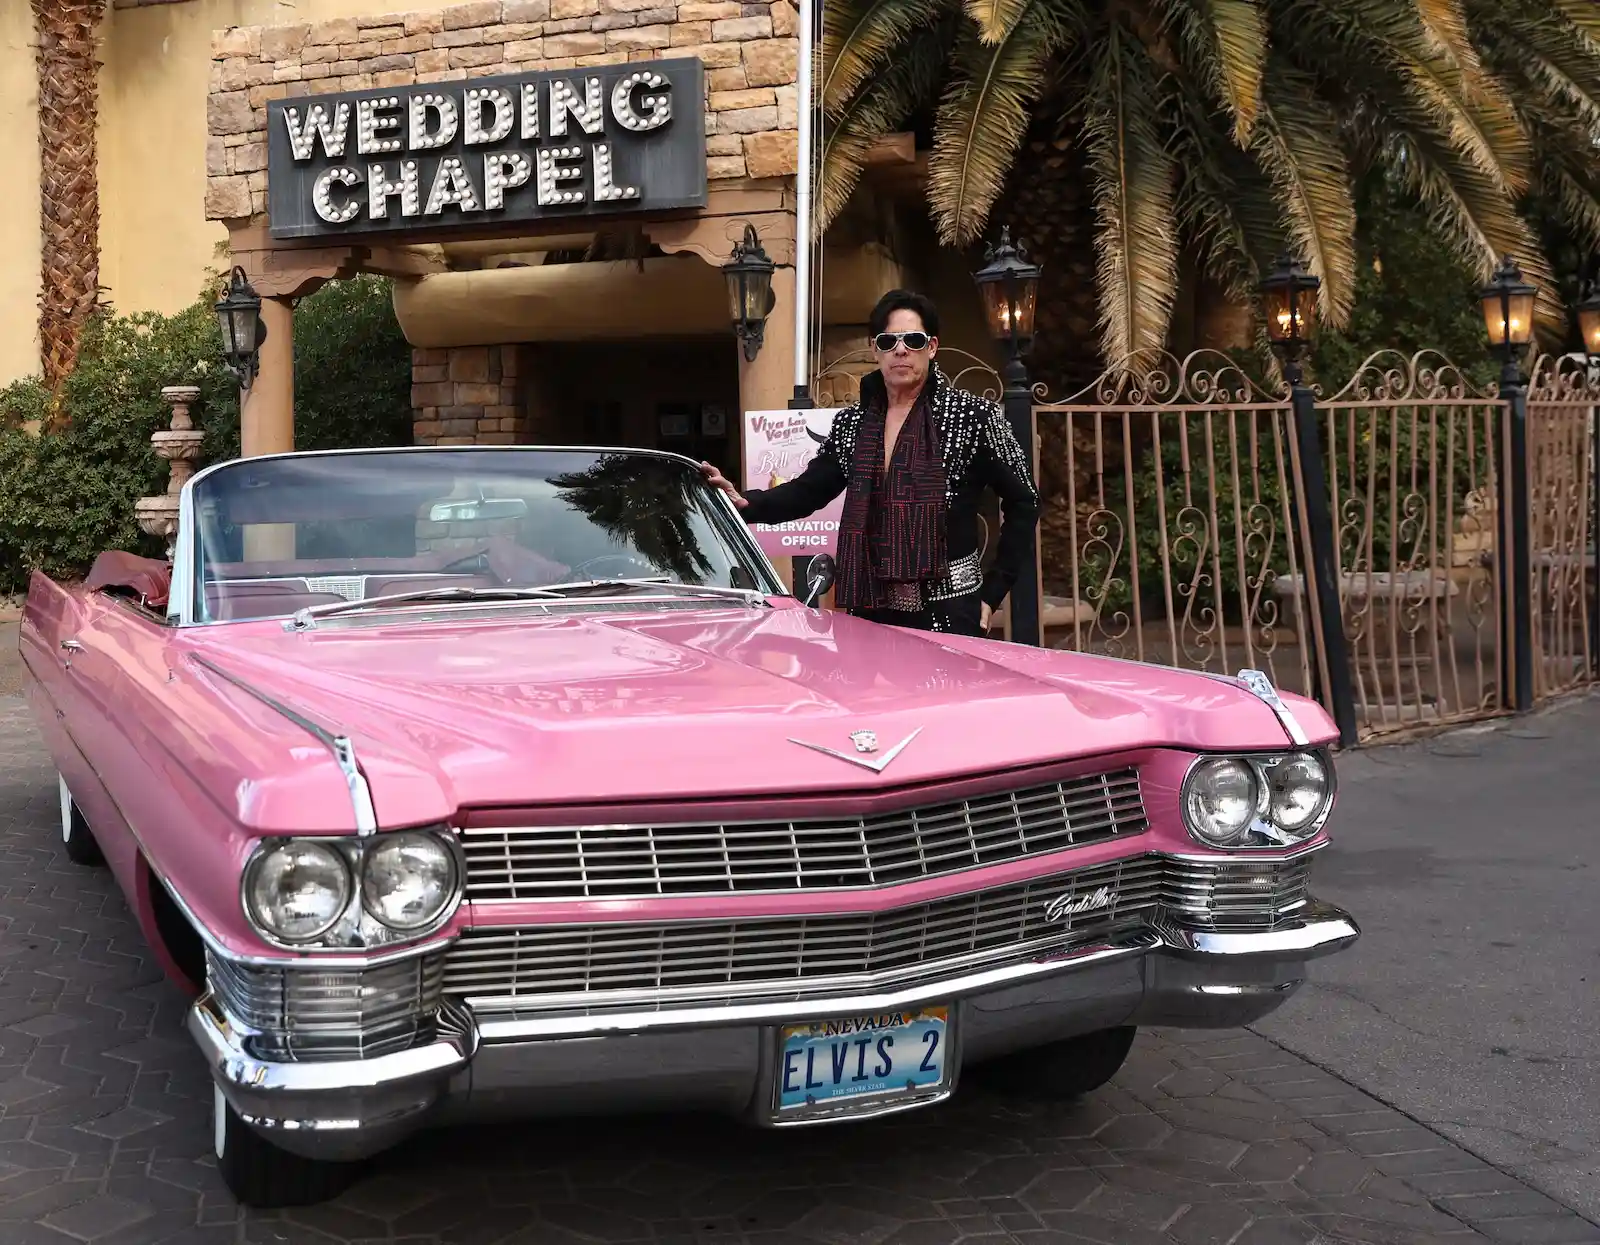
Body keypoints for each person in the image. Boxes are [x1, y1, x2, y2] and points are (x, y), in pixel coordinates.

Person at [702, 289, 1041, 637]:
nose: (901, 349)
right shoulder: (854, 424)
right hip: (869, 609)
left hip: (950, 610)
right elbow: (808, 491)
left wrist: (993, 593)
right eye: (888, 340)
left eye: (913, 339)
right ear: (875, 349)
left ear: (932, 347)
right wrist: (746, 502)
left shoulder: (973, 417)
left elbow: (1024, 501)